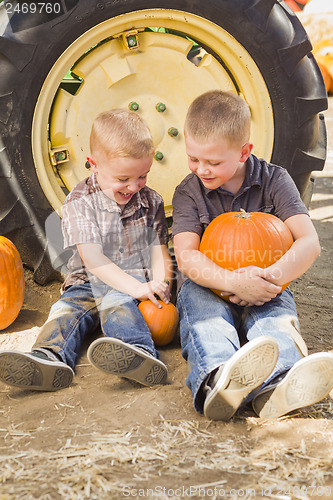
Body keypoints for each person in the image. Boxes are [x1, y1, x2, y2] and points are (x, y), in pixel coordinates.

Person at [172, 90, 333, 420]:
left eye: (214, 162)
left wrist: (266, 280)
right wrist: (232, 281)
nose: (201, 169)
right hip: (207, 283)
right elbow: (187, 257)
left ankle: (277, 388)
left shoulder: (274, 180)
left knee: (274, 321)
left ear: (244, 151)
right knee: (206, 322)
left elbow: (308, 242)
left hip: (267, 283)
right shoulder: (188, 191)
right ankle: (218, 381)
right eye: (193, 158)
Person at [0, 109, 173, 391]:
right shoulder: (79, 202)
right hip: (86, 283)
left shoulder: (151, 200)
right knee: (65, 312)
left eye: (143, 175)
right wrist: (137, 288)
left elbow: (158, 249)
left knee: (118, 304)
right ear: (93, 164)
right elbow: (93, 259)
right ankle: (47, 357)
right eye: (123, 179)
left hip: (130, 284)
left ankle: (139, 354)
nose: (134, 186)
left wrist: (159, 282)